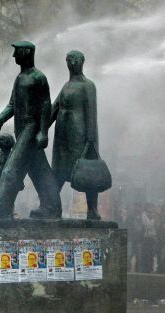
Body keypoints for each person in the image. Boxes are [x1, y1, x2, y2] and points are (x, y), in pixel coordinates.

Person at [0, 41, 61, 218]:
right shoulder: (20, 78)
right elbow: (12, 104)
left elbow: (46, 105)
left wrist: (43, 132)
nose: (14, 56)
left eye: (16, 52)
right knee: (39, 169)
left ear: (26, 52)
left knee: (11, 168)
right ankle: (52, 207)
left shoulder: (38, 77)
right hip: (21, 128)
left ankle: (0, 207)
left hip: (30, 128)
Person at [49, 50, 101, 220]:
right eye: (71, 60)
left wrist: (91, 140)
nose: (74, 63)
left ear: (82, 63)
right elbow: (54, 109)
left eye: (77, 60)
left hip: (80, 136)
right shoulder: (66, 86)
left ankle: (92, 210)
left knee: (87, 173)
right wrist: (41, 130)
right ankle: (52, 206)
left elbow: (91, 113)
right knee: (58, 172)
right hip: (62, 136)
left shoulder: (88, 85)